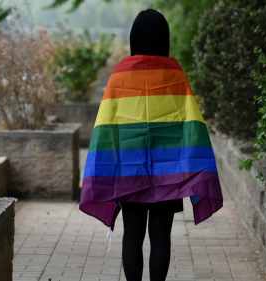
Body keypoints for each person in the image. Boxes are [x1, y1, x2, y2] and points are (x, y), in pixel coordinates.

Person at [79, 9, 223, 281]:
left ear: (134, 39)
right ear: (164, 40)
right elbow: (191, 126)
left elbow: (105, 129)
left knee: (131, 235)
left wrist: (101, 172)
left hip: (128, 173)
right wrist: (197, 169)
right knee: (161, 237)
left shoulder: (118, 79)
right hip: (169, 175)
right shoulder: (176, 77)